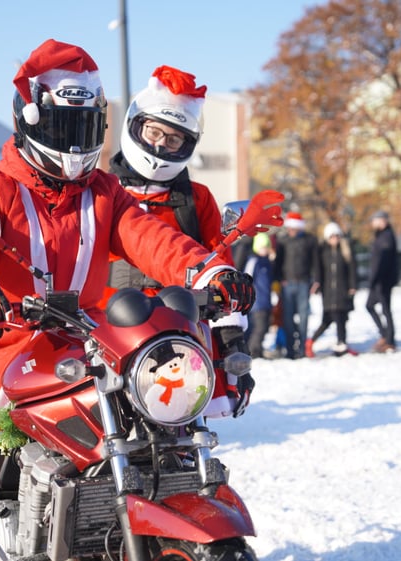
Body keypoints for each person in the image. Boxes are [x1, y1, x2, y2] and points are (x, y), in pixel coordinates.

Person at [0, 39, 254, 561]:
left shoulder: (105, 192)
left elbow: (153, 239)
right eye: (64, 127)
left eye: (85, 127)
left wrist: (211, 269)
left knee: (159, 428)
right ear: (31, 120)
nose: (75, 142)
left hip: (85, 342)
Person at [105, 65, 252, 417]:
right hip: (106, 335)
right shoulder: (100, 191)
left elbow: (220, 260)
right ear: (135, 125)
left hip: (178, 335)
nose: (160, 145)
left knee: (182, 435)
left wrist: (233, 348)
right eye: (154, 132)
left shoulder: (196, 199)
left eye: (173, 140)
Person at [306, 222, 357, 357]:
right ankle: (311, 341)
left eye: (337, 236)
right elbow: (318, 270)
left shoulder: (345, 250)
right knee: (327, 319)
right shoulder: (322, 251)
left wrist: (352, 286)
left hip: (342, 290)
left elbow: (352, 269)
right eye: (332, 236)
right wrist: (317, 284)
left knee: (341, 317)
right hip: (328, 292)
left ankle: (342, 343)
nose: (334, 239)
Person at [273, 211, 319, 359]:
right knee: (288, 318)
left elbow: (315, 263)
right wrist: (279, 280)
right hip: (287, 285)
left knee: (304, 317)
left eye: (294, 228)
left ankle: (302, 347)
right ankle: (290, 348)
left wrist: (316, 280)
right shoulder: (283, 241)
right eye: (289, 228)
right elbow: (278, 263)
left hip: (304, 283)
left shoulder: (309, 240)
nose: (291, 231)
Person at [366, 210, 399, 352]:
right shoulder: (381, 236)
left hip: (383, 280)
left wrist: (376, 278)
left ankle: (389, 339)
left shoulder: (386, 236)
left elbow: (382, 261)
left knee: (386, 310)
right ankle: (385, 335)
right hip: (379, 280)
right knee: (370, 306)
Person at [243, 232, 274, 359]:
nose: (265, 250)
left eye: (267, 247)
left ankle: (258, 349)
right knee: (258, 327)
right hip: (256, 302)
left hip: (266, 300)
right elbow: (247, 278)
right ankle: (252, 350)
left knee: (265, 327)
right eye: (262, 247)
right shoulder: (253, 261)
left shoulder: (267, 262)